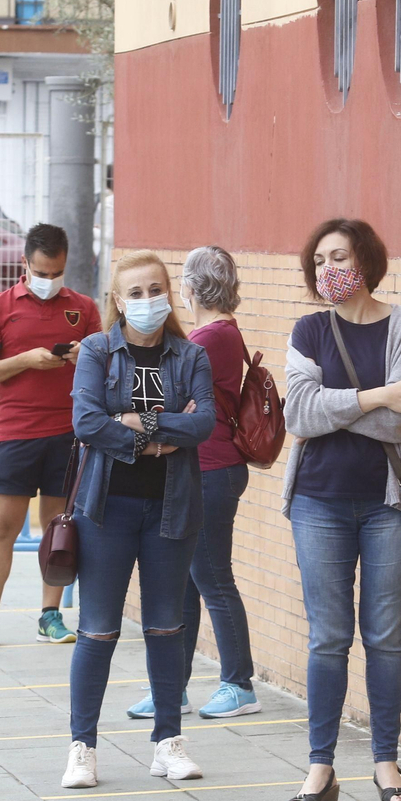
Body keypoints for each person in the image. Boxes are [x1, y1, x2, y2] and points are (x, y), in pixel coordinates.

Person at [281, 218, 401, 801]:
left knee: (385, 637)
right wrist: (375, 397)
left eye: (337, 257)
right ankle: (321, 765)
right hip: (318, 500)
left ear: (366, 260)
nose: (326, 271)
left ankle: (385, 759)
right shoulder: (309, 328)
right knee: (328, 637)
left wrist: (336, 408)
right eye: (318, 261)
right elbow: (298, 415)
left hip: (388, 500)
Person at [60, 250, 216, 790]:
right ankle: (83, 748)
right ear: (117, 300)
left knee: (166, 627)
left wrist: (133, 424)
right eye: (136, 292)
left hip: (172, 509)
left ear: (169, 293)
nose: (147, 301)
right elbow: (85, 422)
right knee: (97, 630)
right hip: (106, 509)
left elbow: (205, 426)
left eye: (156, 289)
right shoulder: (99, 352)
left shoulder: (190, 356)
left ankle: (167, 741)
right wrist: (159, 436)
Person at [124, 244, 261, 720]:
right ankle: (172, 687)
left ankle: (239, 683)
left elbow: (160, 406)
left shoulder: (210, 337)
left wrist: (154, 414)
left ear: (192, 286)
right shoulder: (213, 335)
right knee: (181, 581)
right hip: (194, 467)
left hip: (210, 468)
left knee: (211, 576)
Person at [0, 223, 101, 650]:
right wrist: (24, 360)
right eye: (40, 272)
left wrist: (87, 356)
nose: (48, 281)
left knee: (57, 527)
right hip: (15, 432)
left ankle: (51, 614)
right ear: (25, 263)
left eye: (56, 272)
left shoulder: (84, 308)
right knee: (2, 526)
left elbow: (106, 369)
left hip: (67, 434)